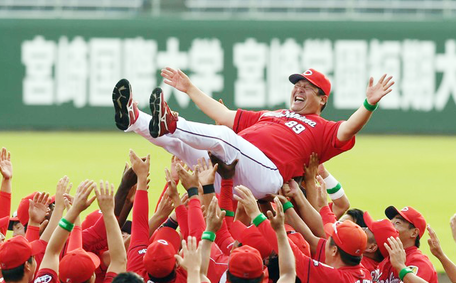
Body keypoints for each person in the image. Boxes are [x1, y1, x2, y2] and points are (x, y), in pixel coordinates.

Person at [112, 69, 394, 199]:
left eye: (307, 87)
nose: (298, 88)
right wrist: (190, 89)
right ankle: (134, 119)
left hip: (265, 175)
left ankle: (170, 122)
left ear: (322, 99)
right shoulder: (272, 114)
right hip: (232, 170)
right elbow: (225, 116)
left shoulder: (323, 128)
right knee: (183, 147)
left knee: (225, 138)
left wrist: (369, 103)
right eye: (297, 84)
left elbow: (348, 130)